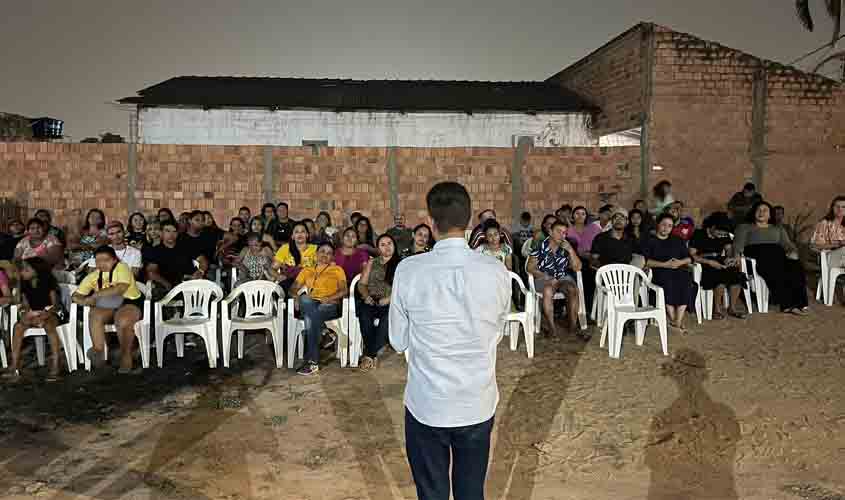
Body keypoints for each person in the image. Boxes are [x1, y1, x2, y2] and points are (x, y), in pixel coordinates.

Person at [389, 182, 510, 500]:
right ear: (471, 223)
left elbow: (398, 340)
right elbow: (497, 331)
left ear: (431, 222)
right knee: (472, 492)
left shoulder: (409, 270)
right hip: (476, 401)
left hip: (427, 404)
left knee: (432, 494)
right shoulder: (495, 271)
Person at [72, 246, 145, 373]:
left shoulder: (122, 268)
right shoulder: (93, 276)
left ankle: (126, 356)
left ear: (114, 260)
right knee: (95, 314)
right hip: (108, 304)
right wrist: (84, 301)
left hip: (129, 301)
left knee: (122, 319)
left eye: (106, 260)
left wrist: (94, 295)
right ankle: (98, 352)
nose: (102, 264)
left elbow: (120, 289)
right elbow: (75, 296)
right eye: (98, 260)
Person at [734, 201, 809, 315]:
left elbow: (788, 244)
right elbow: (738, 244)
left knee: (796, 266)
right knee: (774, 266)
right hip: (756, 255)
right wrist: (737, 256)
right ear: (753, 212)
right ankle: (787, 304)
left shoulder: (777, 228)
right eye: (758, 210)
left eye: (765, 210)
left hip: (777, 255)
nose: (761, 212)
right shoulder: (745, 227)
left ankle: (800, 302)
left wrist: (792, 252)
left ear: (770, 215)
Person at [290, 241, 348, 375]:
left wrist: (330, 298)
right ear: (316, 254)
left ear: (332, 257)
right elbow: (294, 288)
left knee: (311, 314)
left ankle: (313, 360)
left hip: (329, 305)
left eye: (328, 253)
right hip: (311, 303)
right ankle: (323, 334)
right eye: (322, 251)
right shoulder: (307, 270)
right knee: (306, 301)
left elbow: (344, 290)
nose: (324, 255)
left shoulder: (337, 270)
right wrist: (295, 297)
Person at [5, 257, 65, 381]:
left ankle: (56, 364)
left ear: (38, 271)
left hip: (52, 313)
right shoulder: (25, 284)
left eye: (26, 270)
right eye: (22, 270)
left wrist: (45, 314)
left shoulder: (48, 283)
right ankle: (14, 366)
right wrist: (27, 313)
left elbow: (56, 305)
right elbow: (26, 304)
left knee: (49, 326)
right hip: (35, 315)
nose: (22, 272)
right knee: (18, 326)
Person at [527, 220, 584, 338]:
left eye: (564, 233)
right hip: (544, 277)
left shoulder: (567, 246)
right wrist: (546, 276)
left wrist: (571, 251)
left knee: (572, 289)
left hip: (562, 277)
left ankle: (573, 327)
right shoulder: (540, 246)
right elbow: (530, 268)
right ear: (550, 232)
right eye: (559, 232)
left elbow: (577, 267)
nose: (562, 235)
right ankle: (552, 329)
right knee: (548, 290)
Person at [689, 212, 747, 319]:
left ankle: (732, 308)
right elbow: (692, 255)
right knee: (719, 279)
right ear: (712, 227)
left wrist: (729, 259)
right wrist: (710, 262)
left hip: (720, 261)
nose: (722, 235)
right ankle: (717, 309)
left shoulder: (724, 235)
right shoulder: (699, 234)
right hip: (704, 263)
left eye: (724, 233)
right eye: (720, 232)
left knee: (737, 276)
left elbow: (729, 250)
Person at [643, 214, 695, 332]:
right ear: (658, 225)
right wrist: (665, 264)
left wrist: (679, 262)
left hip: (678, 269)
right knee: (667, 281)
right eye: (664, 225)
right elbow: (646, 261)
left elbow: (689, 258)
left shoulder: (677, 240)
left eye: (670, 226)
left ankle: (677, 321)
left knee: (686, 279)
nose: (666, 228)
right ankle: (674, 319)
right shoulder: (649, 241)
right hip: (660, 271)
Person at [357, 234, 400, 372]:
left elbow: (403, 287)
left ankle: (369, 354)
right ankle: (373, 352)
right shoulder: (372, 262)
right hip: (371, 299)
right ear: (378, 248)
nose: (387, 247)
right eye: (383, 244)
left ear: (394, 245)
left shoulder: (401, 263)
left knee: (387, 319)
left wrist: (389, 299)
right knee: (364, 315)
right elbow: (362, 284)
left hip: (391, 302)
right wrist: (366, 296)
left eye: (389, 243)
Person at [144, 220, 202, 294]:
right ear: (161, 233)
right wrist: (166, 283)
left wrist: (200, 271)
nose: (171, 235)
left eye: (174, 231)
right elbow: (151, 272)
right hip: (168, 284)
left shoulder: (186, 246)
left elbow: (202, 260)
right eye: (167, 231)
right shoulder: (155, 251)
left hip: (190, 281)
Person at [273, 222, 317, 291]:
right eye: (296, 232)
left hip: (308, 283)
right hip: (288, 282)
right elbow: (273, 268)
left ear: (307, 235)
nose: (300, 234)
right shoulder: (285, 248)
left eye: (302, 231)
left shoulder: (315, 249)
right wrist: (279, 276)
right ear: (292, 236)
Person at [811, 196, 845, 270]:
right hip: (828, 257)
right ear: (832, 208)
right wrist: (838, 244)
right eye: (837, 206)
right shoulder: (824, 224)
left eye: (843, 207)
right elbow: (814, 246)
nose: (840, 209)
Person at [177, 211, 214, 276]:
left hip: (207, 270)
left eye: (202, 220)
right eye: (197, 220)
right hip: (186, 272)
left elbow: (206, 259)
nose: (200, 222)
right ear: (190, 221)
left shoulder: (208, 236)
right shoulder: (181, 238)